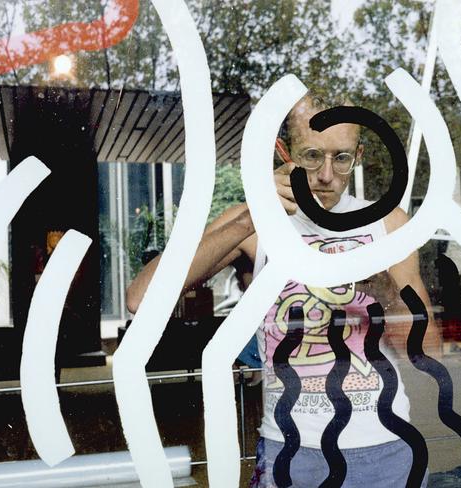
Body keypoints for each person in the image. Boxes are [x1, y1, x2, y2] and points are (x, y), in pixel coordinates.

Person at [126, 92, 439, 487]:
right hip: (291, 451)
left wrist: (379, 285)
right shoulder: (253, 222)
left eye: (340, 158)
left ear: (357, 156)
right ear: (283, 151)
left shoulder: (387, 223)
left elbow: (426, 345)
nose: (326, 175)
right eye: (312, 156)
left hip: (385, 447)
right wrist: (253, 217)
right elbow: (141, 296)